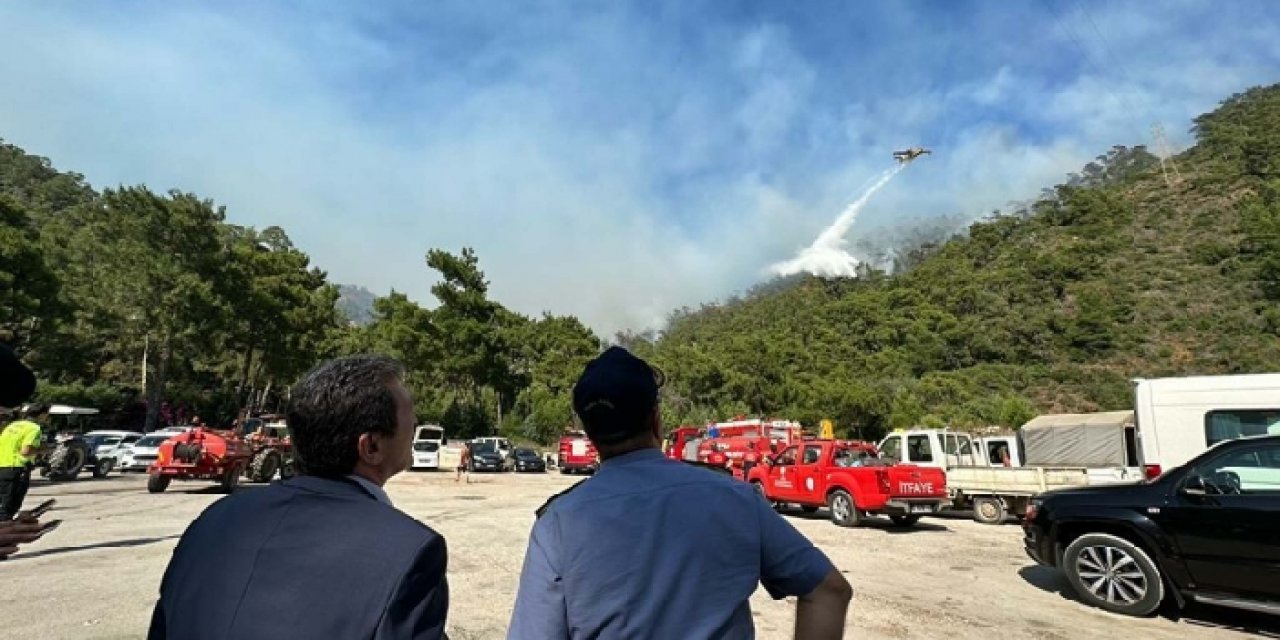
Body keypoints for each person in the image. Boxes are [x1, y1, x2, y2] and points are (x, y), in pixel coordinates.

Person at [508, 347, 851, 640]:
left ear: (589, 435)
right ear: (656, 421)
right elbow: (829, 591)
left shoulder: (558, 523)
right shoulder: (735, 498)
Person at [149, 355, 449, 640]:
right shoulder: (410, 551)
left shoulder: (213, 522)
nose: (415, 427)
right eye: (411, 419)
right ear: (370, 447)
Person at [0, 403, 50, 521]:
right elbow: (26, 451)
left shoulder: (11, 426)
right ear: (42, 415)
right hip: (17, 469)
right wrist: (44, 449)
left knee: (2, 504)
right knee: (8, 508)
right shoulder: (34, 428)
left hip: (2, 467)